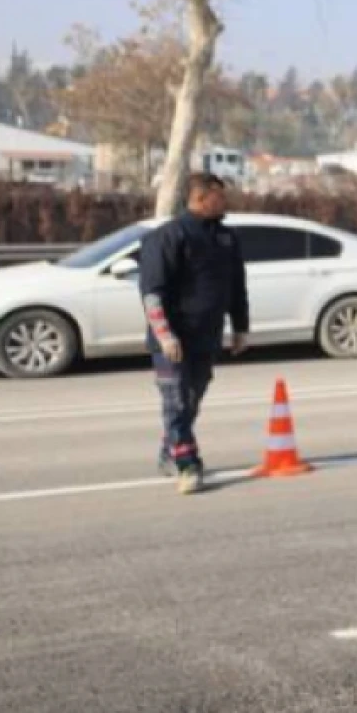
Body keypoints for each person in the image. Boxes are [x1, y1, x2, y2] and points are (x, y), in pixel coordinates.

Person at [137, 171, 249, 496]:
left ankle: (168, 451)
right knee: (176, 401)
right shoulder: (168, 237)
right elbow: (152, 293)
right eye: (218, 195)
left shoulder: (226, 238)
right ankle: (188, 464)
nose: (224, 201)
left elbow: (236, 288)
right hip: (173, 339)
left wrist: (240, 327)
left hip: (206, 336)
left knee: (191, 401)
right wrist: (165, 335)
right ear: (199, 199)